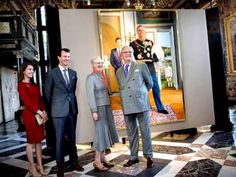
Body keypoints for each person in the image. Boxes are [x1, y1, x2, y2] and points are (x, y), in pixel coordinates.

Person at [44, 48, 84, 177]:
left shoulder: (73, 73)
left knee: (72, 138)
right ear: (59, 57)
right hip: (58, 112)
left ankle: (74, 162)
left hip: (72, 110)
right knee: (60, 140)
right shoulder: (52, 73)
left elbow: (71, 91)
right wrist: (53, 109)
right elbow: (47, 94)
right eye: (64, 56)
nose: (67, 58)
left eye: (68, 56)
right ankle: (60, 166)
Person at [116, 46, 154, 168]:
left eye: (130, 52)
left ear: (133, 53)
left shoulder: (141, 65)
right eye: (125, 52)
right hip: (127, 106)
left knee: (145, 131)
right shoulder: (118, 71)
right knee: (131, 133)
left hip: (141, 103)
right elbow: (121, 88)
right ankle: (133, 157)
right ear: (121, 55)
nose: (127, 54)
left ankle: (149, 156)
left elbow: (150, 83)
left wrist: (141, 93)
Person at [86, 56, 119, 171]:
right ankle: (96, 161)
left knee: (106, 132)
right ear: (93, 65)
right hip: (98, 109)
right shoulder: (90, 78)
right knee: (100, 134)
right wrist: (94, 111)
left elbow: (106, 92)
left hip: (106, 106)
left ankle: (103, 159)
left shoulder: (102, 75)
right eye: (97, 63)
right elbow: (90, 96)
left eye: (101, 62)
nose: (100, 64)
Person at [130, 25, 168, 114]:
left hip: (150, 67)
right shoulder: (133, 43)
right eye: (139, 30)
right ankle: (146, 106)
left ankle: (160, 107)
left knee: (156, 87)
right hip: (140, 68)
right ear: (137, 32)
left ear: (145, 32)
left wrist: (156, 58)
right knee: (142, 89)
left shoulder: (150, 42)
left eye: (142, 30)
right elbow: (132, 58)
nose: (141, 32)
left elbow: (154, 53)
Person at [18, 62, 47, 176]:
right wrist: (39, 112)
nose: (31, 71)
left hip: (39, 115)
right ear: (24, 71)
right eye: (29, 69)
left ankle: (39, 165)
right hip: (29, 116)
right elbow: (27, 102)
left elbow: (40, 100)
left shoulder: (35, 85)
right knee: (31, 142)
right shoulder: (21, 85)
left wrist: (43, 111)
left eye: (33, 70)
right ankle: (31, 167)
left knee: (39, 141)